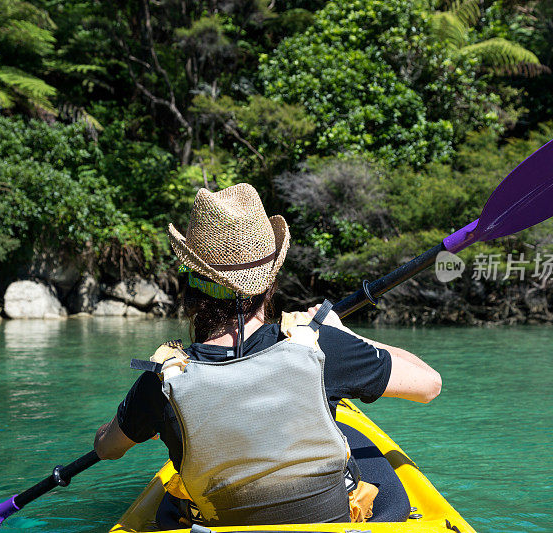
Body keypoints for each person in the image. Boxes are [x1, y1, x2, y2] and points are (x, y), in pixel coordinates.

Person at [94, 183, 441, 526]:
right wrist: (343, 332)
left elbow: (107, 449)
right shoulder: (324, 347)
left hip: (214, 521)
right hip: (328, 520)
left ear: (192, 290)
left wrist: (137, 421)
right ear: (270, 281)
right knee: (358, 440)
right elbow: (429, 385)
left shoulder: (161, 382)